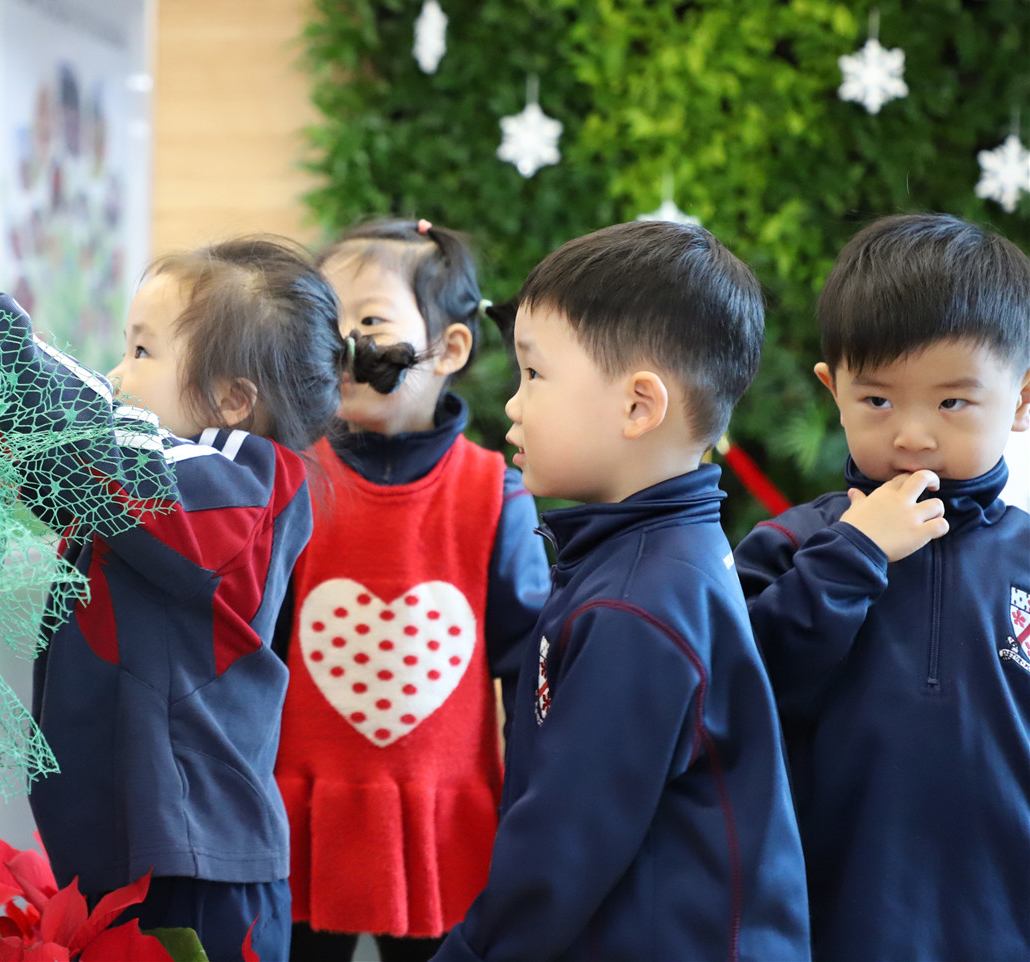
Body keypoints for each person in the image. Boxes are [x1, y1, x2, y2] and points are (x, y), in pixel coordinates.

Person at [0, 227, 399, 962]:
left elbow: (85, 435)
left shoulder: (241, 488)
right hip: (129, 852)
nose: (117, 373)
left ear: (231, 399)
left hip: (198, 866)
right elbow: (43, 449)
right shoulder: (148, 491)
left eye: (142, 352)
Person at [434, 221, 810, 962]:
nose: (513, 404)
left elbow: (562, 852)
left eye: (535, 376)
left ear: (639, 405)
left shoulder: (637, 607)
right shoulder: (652, 563)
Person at [735, 214, 1030, 961]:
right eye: (878, 401)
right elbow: (741, 698)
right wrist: (854, 553)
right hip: (825, 926)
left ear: (1022, 399)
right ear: (833, 390)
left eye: (952, 402)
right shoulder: (792, 546)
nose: (912, 435)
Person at [271, 219, 549, 962]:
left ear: (451, 348)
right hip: (300, 808)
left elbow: (528, 668)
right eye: (326, 325)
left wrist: (533, 800)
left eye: (368, 322)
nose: (343, 346)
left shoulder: (497, 496)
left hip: (443, 815)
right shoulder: (288, 481)